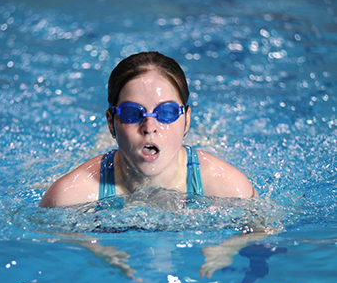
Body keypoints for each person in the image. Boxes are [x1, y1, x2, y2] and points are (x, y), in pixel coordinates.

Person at [39, 51, 257, 208]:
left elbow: (261, 232)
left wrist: (227, 249)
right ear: (110, 121)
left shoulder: (229, 187)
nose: (149, 127)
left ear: (187, 120)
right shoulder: (71, 195)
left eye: (167, 112)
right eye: (132, 113)